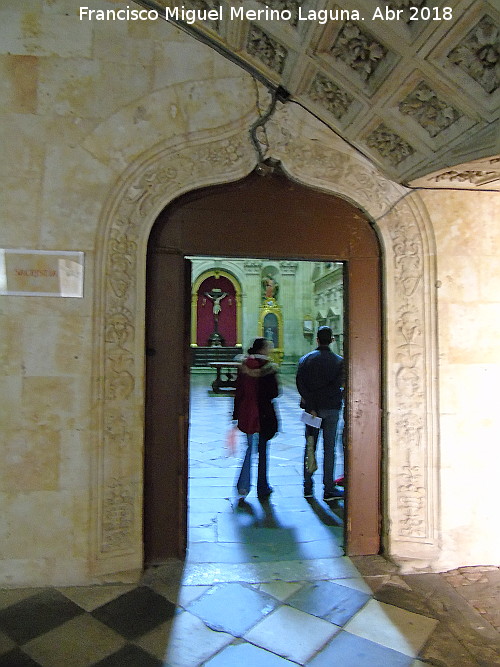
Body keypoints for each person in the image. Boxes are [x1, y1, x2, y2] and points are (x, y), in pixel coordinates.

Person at [296, 326, 344, 501]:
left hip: (311, 410)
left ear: (317, 339)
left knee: (310, 446)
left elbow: (300, 384)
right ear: (331, 340)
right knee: (329, 449)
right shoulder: (339, 361)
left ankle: (307, 487)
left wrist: (311, 403)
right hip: (331, 408)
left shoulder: (305, 360)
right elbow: (341, 385)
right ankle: (329, 488)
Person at [233, 337, 279, 500]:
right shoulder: (269, 368)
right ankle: (262, 486)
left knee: (248, 448)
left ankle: (243, 485)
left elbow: (238, 391)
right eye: (268, 347)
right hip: (263, 412)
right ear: (262, 349)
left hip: (246, 411)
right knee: (262, 450)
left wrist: (235, 414)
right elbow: (274, 393)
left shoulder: (244, 366)